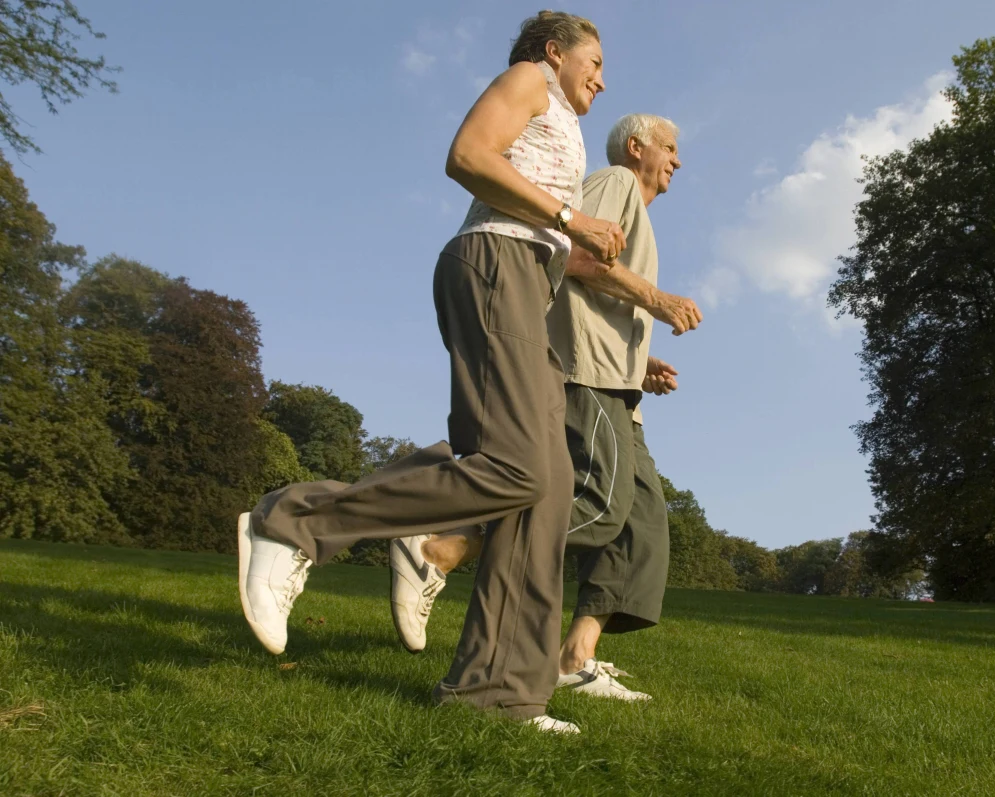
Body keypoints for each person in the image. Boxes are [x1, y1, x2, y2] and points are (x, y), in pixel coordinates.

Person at [236, 10, 625, 735]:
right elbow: (469, 155)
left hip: (527, 279)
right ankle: (292, 524)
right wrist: (573, 218)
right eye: (594, 61)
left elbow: (552, 232)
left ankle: (499, 692)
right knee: (513, 466)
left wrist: (621, 279)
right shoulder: (528, 80)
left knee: (547, 488)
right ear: (554, 52)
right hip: (491, 269)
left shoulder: (563, 125)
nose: (601, 78)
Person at [389, 113, 702, 703]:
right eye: (670, 147)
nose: (677, 161)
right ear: (637, 148)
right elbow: (571, 257)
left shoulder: (635, 207)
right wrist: (656, 298)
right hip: (586, 375)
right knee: (602, 506)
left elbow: (605, 287)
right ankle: (446, 541)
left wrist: (645, 363)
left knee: (644, 525)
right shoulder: (615, 181)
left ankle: (573, 656)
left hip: (620, 382)